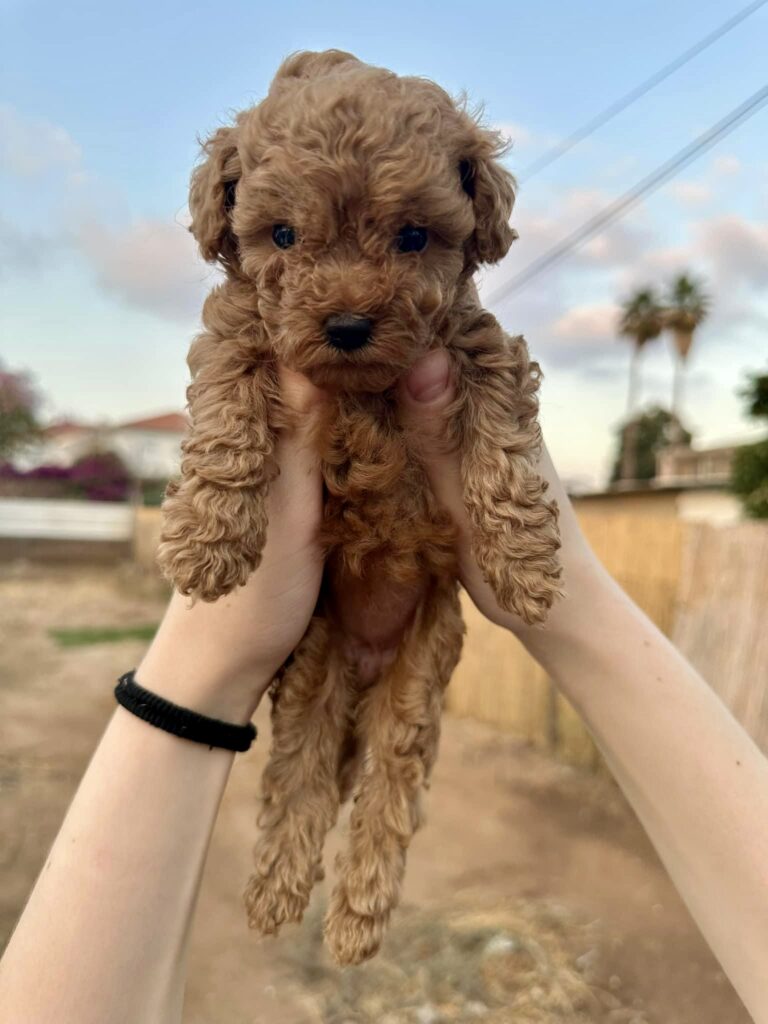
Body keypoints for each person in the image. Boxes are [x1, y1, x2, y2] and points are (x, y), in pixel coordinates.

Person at [0, 350, 766, 1024]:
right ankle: (282, 871)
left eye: (408, 240)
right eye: (291, 239)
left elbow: (496, 384)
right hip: (326, 607)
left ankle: (367, 892)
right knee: (305, 742)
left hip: (423, 598)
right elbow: (229, 380)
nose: (353, 290)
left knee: (400, 751)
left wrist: (536, 558)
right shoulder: (248, 342)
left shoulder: (467, 346)